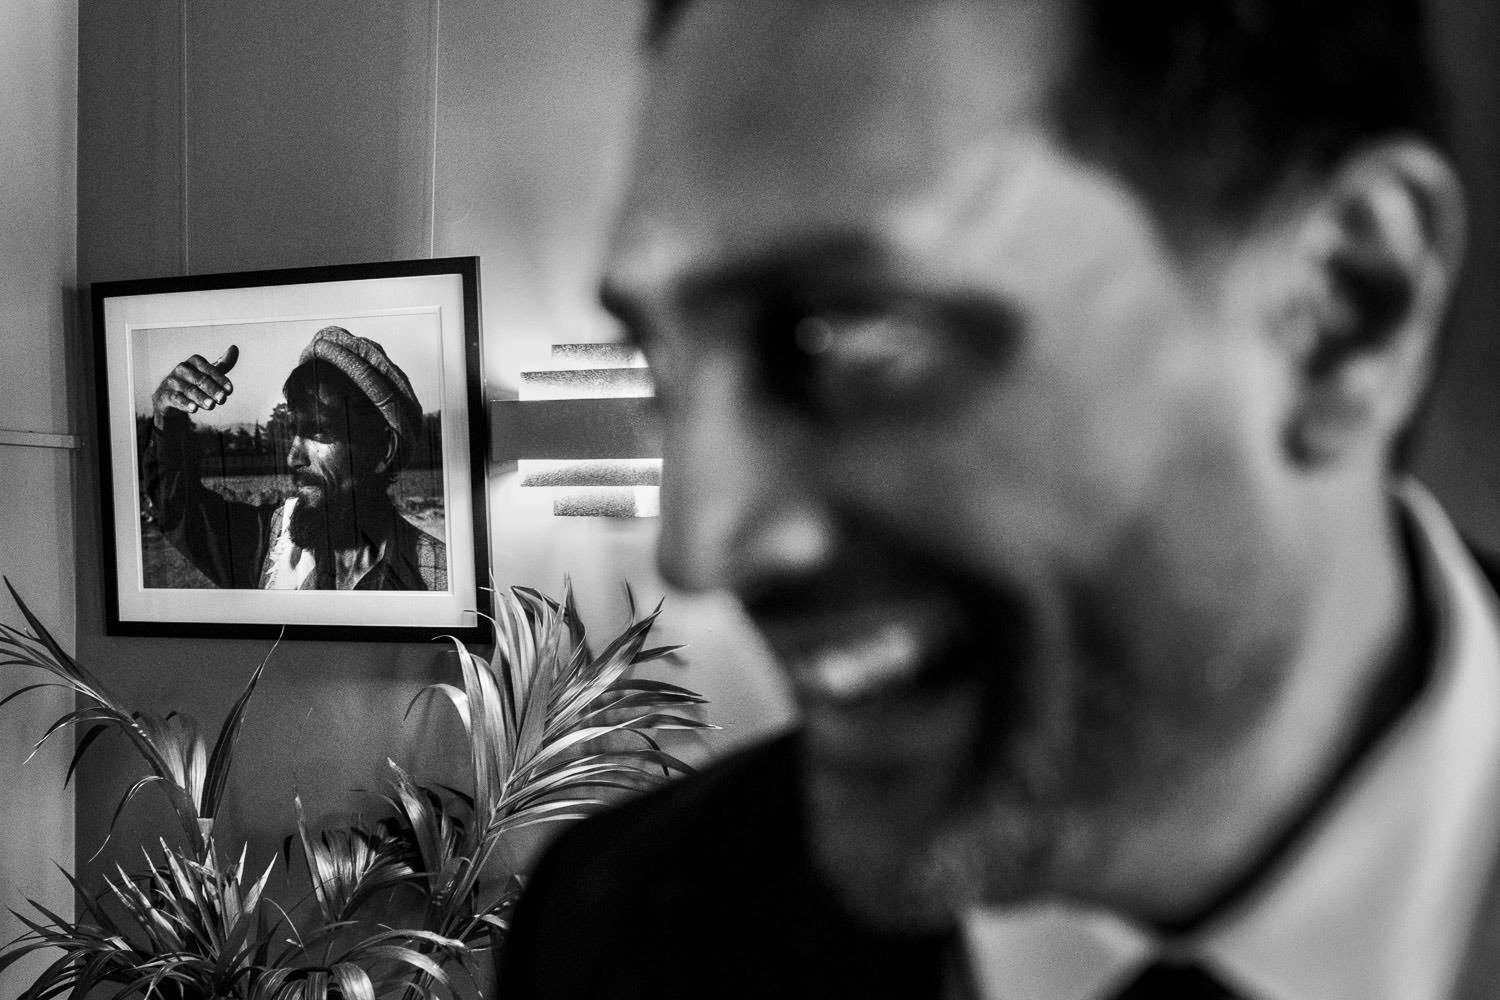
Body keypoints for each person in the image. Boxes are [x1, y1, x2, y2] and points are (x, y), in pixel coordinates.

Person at [502, 1, 1499, 999]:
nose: (703, 546)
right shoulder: (613, 931)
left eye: (850, 336)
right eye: (657, 367)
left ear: (1347, 308)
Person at [145, 324, 447, 591]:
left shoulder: (436, 578)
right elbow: (178, 509)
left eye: (318, 432)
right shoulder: (269, 543)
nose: (293, 457)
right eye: (294, 432)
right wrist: (167, 414)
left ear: (383, 450)